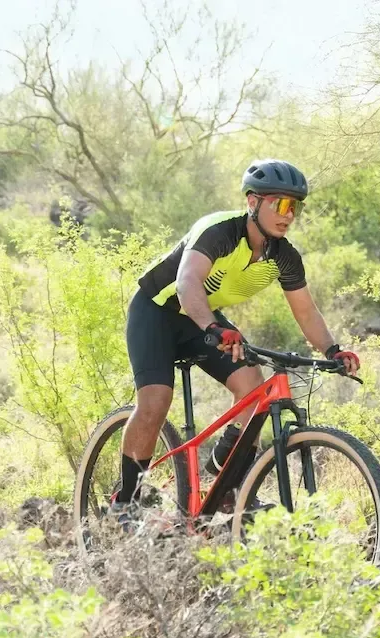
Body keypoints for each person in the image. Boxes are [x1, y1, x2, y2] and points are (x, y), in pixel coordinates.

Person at [113, 158, 360, 517]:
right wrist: (212, 328)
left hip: (203, 319)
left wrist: (333, 350)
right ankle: (125, 504)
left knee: (252, 386)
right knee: (155, 402)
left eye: (295, 207)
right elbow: (187, 283)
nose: (288, 215)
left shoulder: (284, 257)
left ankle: (225, 480)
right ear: (253, 202)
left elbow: (305, 311)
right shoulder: (219, 231)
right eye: (281, 204)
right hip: (158, 310)